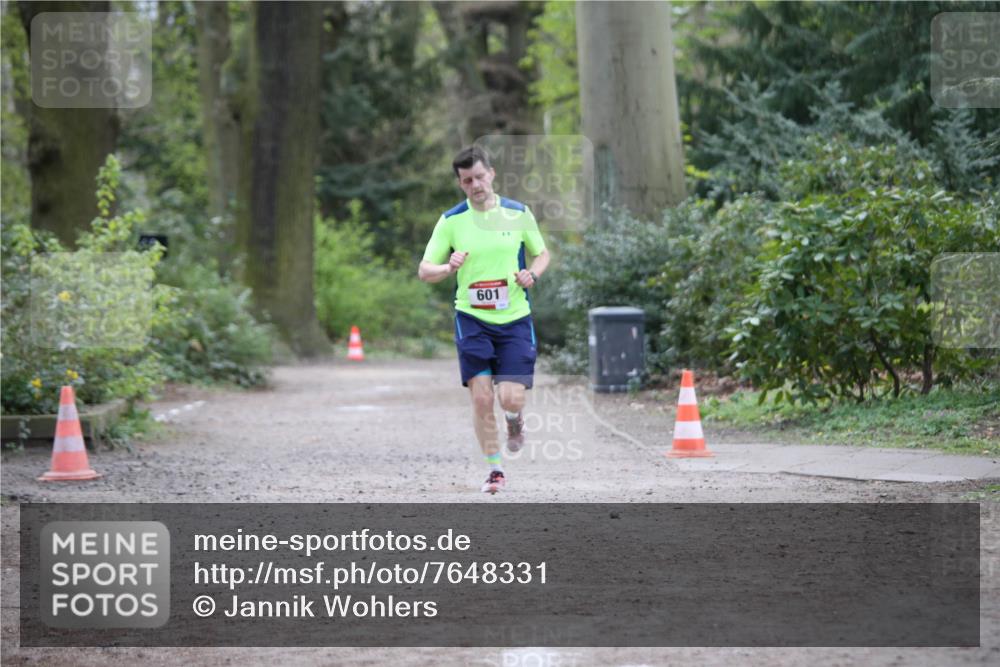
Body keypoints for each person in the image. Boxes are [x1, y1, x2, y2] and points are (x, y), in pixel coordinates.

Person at [418, 146, 551, 494]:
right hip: (472, 318)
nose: (475, 184)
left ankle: (513, 420)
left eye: (479, 176)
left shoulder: (518, 213)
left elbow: (542, 253)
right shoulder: (451, 221)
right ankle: (495, 471)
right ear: (461, 184)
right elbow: (424, 270)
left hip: (515, 319)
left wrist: (531, 275)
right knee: (480, 399)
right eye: (467, 180)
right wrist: (448, 267)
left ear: (491, 174)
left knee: (510, 397)